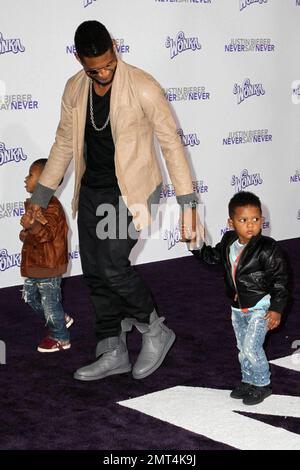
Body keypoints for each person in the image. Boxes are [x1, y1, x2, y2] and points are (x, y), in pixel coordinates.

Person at [28, 21, 198, 381]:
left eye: (108, 64)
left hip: (131, 192)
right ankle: (112, 349)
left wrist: (188, 205)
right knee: (94, 273)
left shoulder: (143, 87)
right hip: (92, 191)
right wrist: (41, 195)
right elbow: (62, 144)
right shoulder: (75, 89)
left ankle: (154, 330)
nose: (103, 73)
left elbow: (171, 144)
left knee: (112, 265)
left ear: (115, 48)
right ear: (79, 60)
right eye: (95, 69)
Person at [190, 191, 288, 405]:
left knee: (252, 348)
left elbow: (280, 281)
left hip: (260, 307)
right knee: (242, 349)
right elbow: (212, 258)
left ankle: (262, 384)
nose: (251, 225)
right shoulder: (228, 242)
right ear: (231, 222)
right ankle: (248, 381)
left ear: (262, 220)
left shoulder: (268, 248)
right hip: (237, 308)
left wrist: (277, 309)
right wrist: (194, 243)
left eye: (255, 219)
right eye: (243, 220)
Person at [20, 159, 73, 353]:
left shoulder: (51, 206)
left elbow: (47, 234)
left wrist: (31, 226)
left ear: (44, 181)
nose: (26, 179)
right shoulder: (34, 204)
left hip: (49, 265)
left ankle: (61, 337)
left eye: (31, 175)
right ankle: (61, 319)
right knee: (30, 297)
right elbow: (31, 236)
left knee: (49, 302)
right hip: (35, 263)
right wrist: (26, 232)